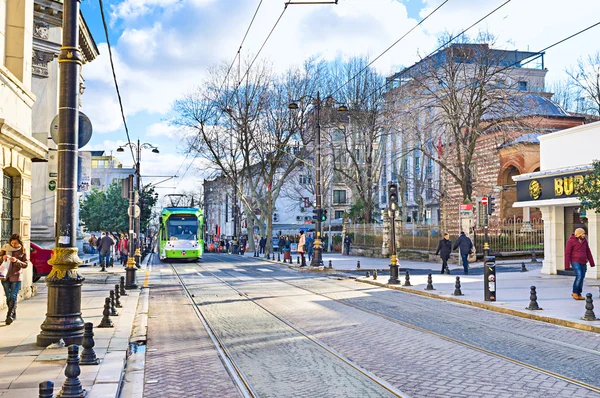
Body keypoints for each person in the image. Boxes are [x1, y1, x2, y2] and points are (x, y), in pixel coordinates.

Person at [0, 234, 29, 325]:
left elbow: (25, 264)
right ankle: (13, 313)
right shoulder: (5, 248)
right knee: (8, 296)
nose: (13, 245)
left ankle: (9, 316)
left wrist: (16, 261)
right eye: (12, 243)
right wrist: (2, 258)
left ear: (19, 242)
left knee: (13, 296)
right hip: (5, 275)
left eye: (15, 243)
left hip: (16, 276)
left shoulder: (23, 250)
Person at [565, 228, 595, 300]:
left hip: (583, 261)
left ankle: (579, 293)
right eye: (582, 234)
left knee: (582, 278)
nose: (584, 235)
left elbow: (588, 252)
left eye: (584, 233)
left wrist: (591, 262)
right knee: (579, 275)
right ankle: (575, 292)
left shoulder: (585, 242)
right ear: (578, 234)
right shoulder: (570, 241)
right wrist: (567, 264)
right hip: (575, 261)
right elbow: (567, 253)